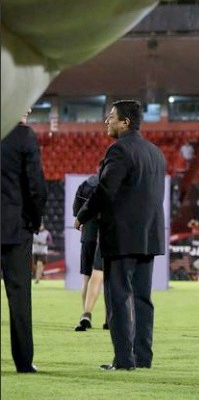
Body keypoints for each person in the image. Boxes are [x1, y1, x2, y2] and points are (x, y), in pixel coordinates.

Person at [75, 100, 166, 371]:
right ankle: (143, 357)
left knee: (117, 297)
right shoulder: (155, 153)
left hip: (121, 237)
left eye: (111, 117)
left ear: (125, 122)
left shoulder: (119, 150)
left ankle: (124, 360)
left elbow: (105, 190)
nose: (107, 121)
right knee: (142, 298)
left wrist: (82, 215)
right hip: (148, 236)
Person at [1, 108, 47, 374]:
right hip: (14, 228)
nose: (29, 109)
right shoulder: (23, 136)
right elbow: (36, 185)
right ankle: (23, 361)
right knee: (19, 297)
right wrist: (33, 220)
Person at [73, 171, 109, 332]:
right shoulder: (112, 184)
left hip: (88, 234)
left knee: (87, 278)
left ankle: (86, 314)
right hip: (107, 236)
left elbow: (77, 210)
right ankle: (109, 317)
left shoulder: (85, 185)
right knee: (109, 278)